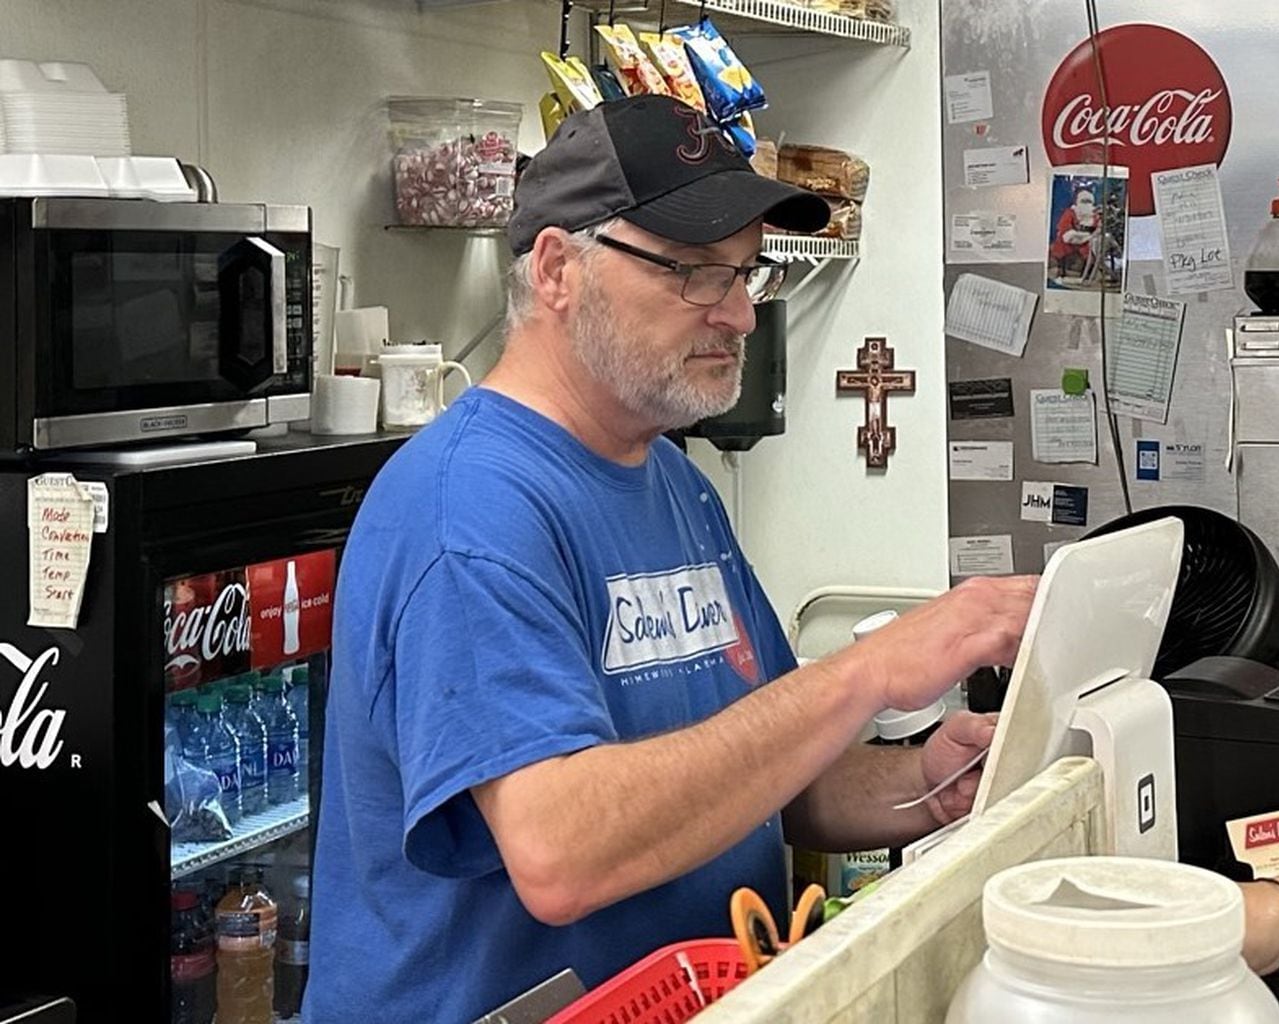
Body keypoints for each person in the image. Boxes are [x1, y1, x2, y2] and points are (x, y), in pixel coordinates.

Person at [305, 94, 1038, 1024]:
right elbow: (560, 851)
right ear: (558, 269)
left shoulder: (672, 478)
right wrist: (868, 672)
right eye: (695, 272)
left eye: (746, 273)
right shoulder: (470, 510)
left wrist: (928, 783)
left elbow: (775, 777)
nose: (738, 314)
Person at [1050, 187, 1099, 282]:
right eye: (1083, 201)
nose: (1086, 205)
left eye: (1089, 201)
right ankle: (1062, 271)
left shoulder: (1095, 216)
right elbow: (1064, 229)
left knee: (1091, 250)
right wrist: (1075, 236)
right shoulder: (1070, 213)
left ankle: (1086, 273)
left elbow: (1098, 229)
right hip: (1069, 241)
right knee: (1060, 247)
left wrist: (1091, 236)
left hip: (1088, 241)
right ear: (1077, 202)